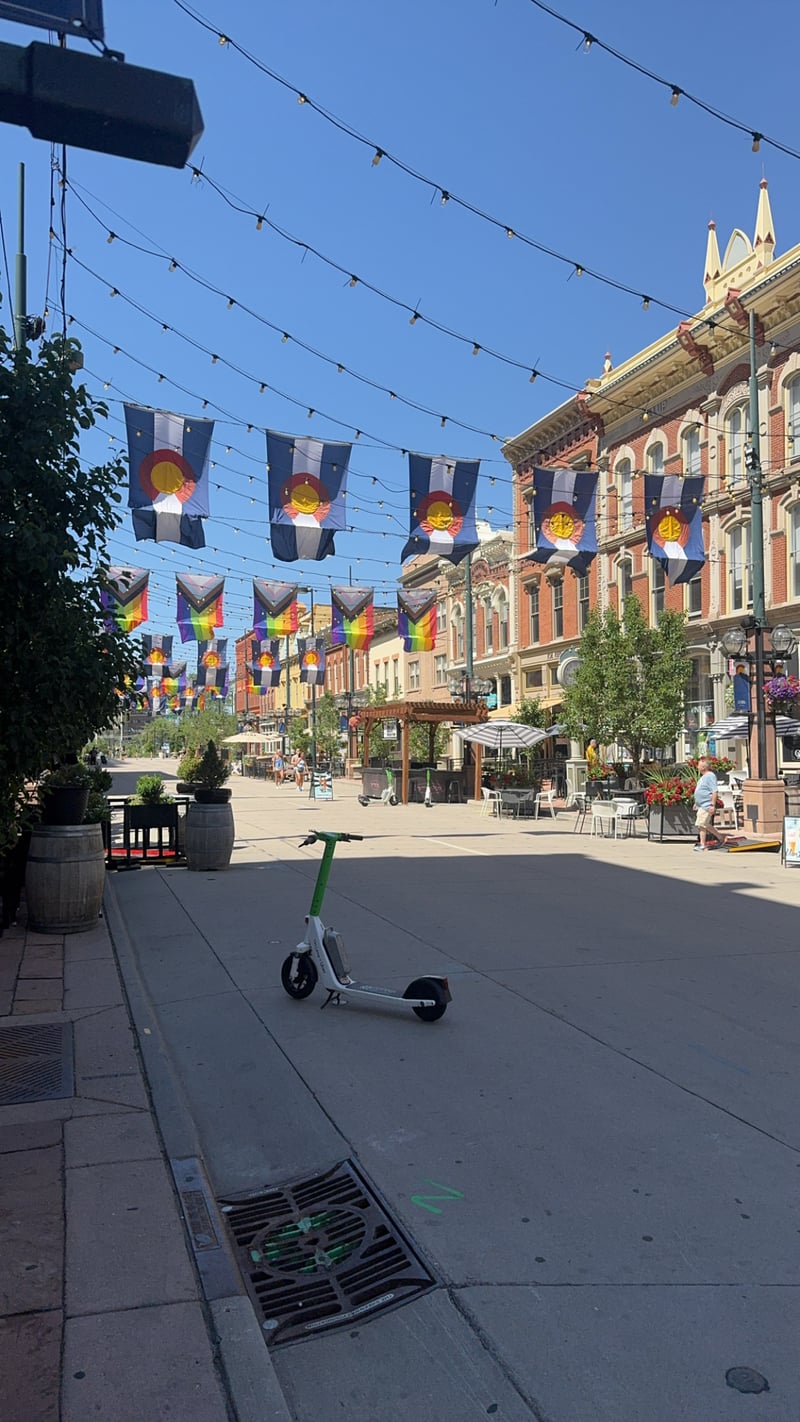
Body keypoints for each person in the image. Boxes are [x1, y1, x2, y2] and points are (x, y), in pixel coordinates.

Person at [693, 755, 718, 852]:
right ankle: (720, 837)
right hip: (701, 805)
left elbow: (714, 791)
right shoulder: (703, 777)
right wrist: (696, 803)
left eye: (699, 765)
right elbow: (700, 791)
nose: (697, 767)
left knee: (701, 824)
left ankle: (703, 845)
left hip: (707, 805)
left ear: (703, 767)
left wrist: (712, 804)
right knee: (704, 824)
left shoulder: (710, 776)